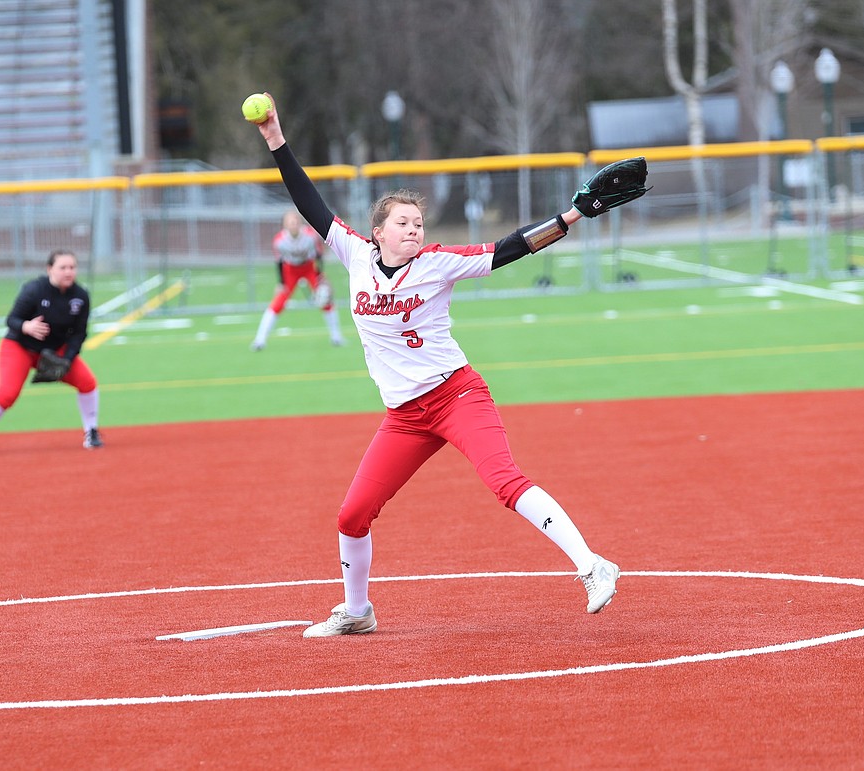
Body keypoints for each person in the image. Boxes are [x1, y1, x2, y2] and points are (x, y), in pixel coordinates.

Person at [252, 94, 621, 637]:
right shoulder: (353, 253)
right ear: (377, 231)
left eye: (419, 223)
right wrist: (275, 140)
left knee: (503, 481)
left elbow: (508, 248)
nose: (415, 229)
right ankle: (357, 611)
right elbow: (308, 203)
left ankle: (592, 566)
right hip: (404, 416)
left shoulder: (438, 264)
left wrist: (569, 217)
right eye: (403, 222)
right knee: (352, 516)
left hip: (456, 395)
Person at [0, 249, 103, 457]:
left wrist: (67, 360)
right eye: (62, 267)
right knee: (8, 393)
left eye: (72, 267)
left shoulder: (80, 296)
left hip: (55, 349)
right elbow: (11, 320)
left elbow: (79, 333)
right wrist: (26, 326)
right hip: (20, 346)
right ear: (49, 269)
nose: (68, 272)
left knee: (88, 383)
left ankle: (91, 431)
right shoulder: (34, 290)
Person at [250, 208, 346, 350]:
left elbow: (318, 256)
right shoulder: (279, 241)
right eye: (290, 222)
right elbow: (279, 262)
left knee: (325, 299)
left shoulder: (310, 236)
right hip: (290, 270)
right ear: (284, 225)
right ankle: (260, 339)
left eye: (296, 221)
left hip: (309, 268)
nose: (293, 224)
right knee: (278, 303)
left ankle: (336, 336)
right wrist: (281, 282)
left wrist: (320, 276)